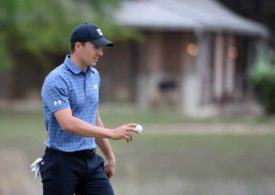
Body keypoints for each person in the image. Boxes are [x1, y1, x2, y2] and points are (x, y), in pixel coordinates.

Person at [40, 23, 138, 195]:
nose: (100, 53)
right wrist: (111, 133)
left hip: (90, 161)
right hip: (61, 164)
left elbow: (92, 116)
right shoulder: (56, 79)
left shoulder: (94, 75)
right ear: (78, 46)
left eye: (101, 48)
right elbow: (67, 123)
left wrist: (109, 156)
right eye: (95, 47)